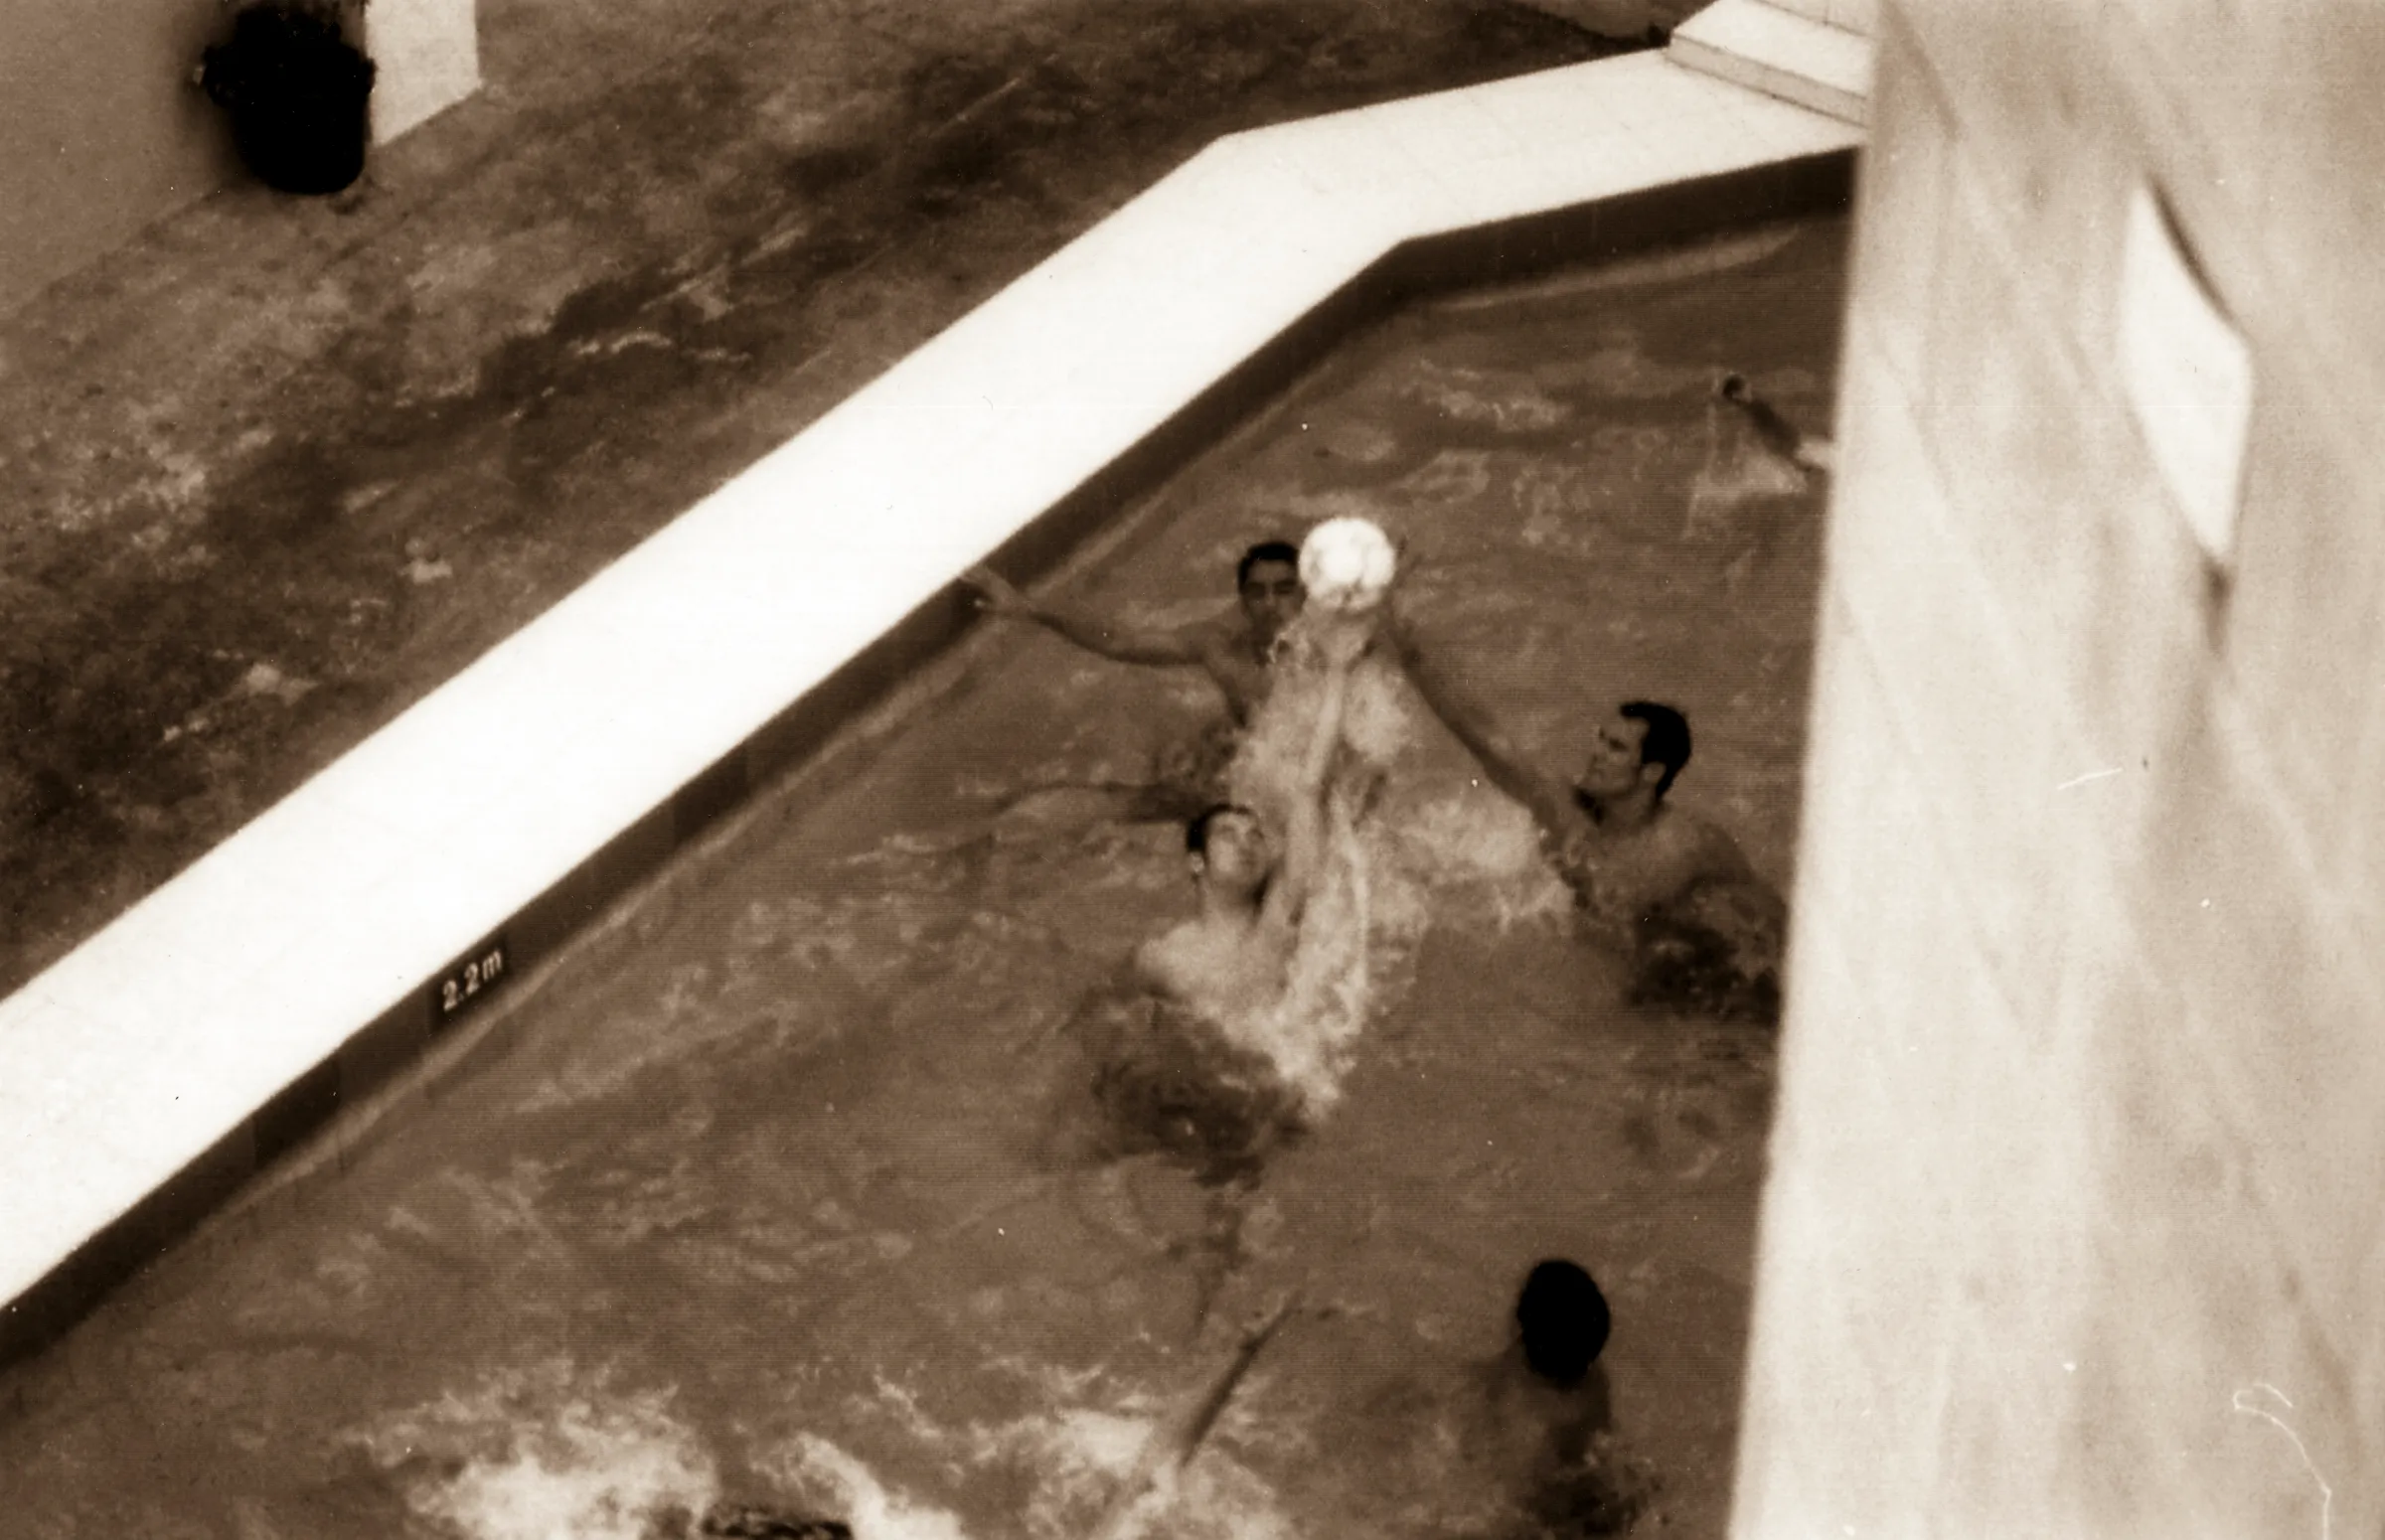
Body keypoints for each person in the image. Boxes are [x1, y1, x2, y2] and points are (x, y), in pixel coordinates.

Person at [1387, 617, 1786, 1022]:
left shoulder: (1689, 846)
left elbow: (1767, 921)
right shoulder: (1566, 816)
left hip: (1700, 974)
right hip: (1637, 973)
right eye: (1601, 737)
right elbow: (1488, 741)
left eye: (1615, 747)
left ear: (1651, 772)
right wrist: (1410, 652)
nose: (1596, 752)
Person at [961, 542, 1304, 822]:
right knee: (1107, 805)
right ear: (1243, 601)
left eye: (1284, 591)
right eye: (1258, 593)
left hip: (1302, 774)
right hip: (1250, 767)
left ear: (1306, 594)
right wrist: (1032, 610)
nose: (1271, 604)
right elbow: (1122, 642)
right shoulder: (1219, 645)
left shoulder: (1335, 647)